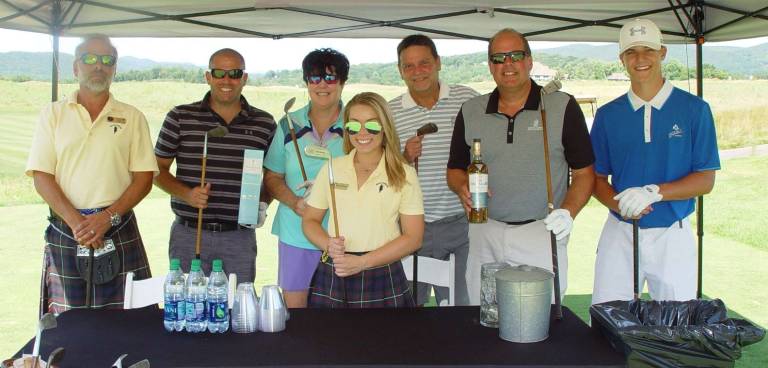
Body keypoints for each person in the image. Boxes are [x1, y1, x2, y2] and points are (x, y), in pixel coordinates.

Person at [446, 28, 595, 305]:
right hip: (485, 230)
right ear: (491, 66)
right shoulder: (471, 110)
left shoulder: (562, 106)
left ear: (529, 60)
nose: (508, 64)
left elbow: (585, 174)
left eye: (515, 55)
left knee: (540, 319)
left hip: (541, 231)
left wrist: (568, 213)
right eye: (499, 58)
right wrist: (462, 187)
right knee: (484, 314)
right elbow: (455, 169)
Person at [590, 19, 720, 304]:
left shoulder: (694, 109)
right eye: (631, 52)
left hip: (674, 230)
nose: (640, 59)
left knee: (677, 327)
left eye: (648, 50)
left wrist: (654, 192)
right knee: (608, 318)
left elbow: (705, 179)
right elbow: (596, 179)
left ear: (662, 52)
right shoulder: (608, 115)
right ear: (622, 58)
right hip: (620, 230)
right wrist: (619, 204)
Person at [26, 34, 158, 313]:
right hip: (66, 229)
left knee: (130, 323)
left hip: (118, 227)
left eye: (107, 60)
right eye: (90, 59)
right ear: (76, 68)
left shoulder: (132, 117)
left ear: (114, 69)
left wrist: (106, 218)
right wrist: (78, 224)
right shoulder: (52, 115)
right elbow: (41, 176)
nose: (99, 66)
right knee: (66, 327)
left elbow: (144, 178)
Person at [154, 48, 276, 282]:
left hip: (239, 236)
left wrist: (262, 203)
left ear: (245, 78)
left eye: (235, 73)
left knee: (237, 307)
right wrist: (186, 194)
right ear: (208, 77)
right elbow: (156, 169)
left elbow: (272, 175)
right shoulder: (180, 116)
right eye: (219, 73)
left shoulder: (264, 122)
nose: (227, 80)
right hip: (189, 233)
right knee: (188, 306)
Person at [302, 92, 424, 308]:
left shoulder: (404, 173)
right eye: (354, 126)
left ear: (385, 127)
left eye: (372, 125)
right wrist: (328, 245)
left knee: (385, 342)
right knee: (328, 341)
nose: (363, 133)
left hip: (382, 272)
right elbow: (310, 221)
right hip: (336, 268)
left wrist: (362, 262)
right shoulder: (331, 168)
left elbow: (414, 238)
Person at [389, 34, 478, 306]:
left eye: (425, 63)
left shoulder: (468, 100)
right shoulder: (391, 112)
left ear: (438, 63)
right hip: (411, 227)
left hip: (460, 224)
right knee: (408, 311)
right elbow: (383, 171)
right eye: (409, 66)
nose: (418, 72)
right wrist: (404, 157)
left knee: (461, 309)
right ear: (401, 71)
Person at [264, 48, 349, 308]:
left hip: (343, 236)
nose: (322, 85)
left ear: (343, 83)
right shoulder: (287, 124)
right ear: (306, 83)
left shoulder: (356, 124)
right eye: (314, 78)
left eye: (330, 78)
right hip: (296, 232)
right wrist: (294, 202)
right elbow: (273, 177)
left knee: (341, 315)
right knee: (297, 312)